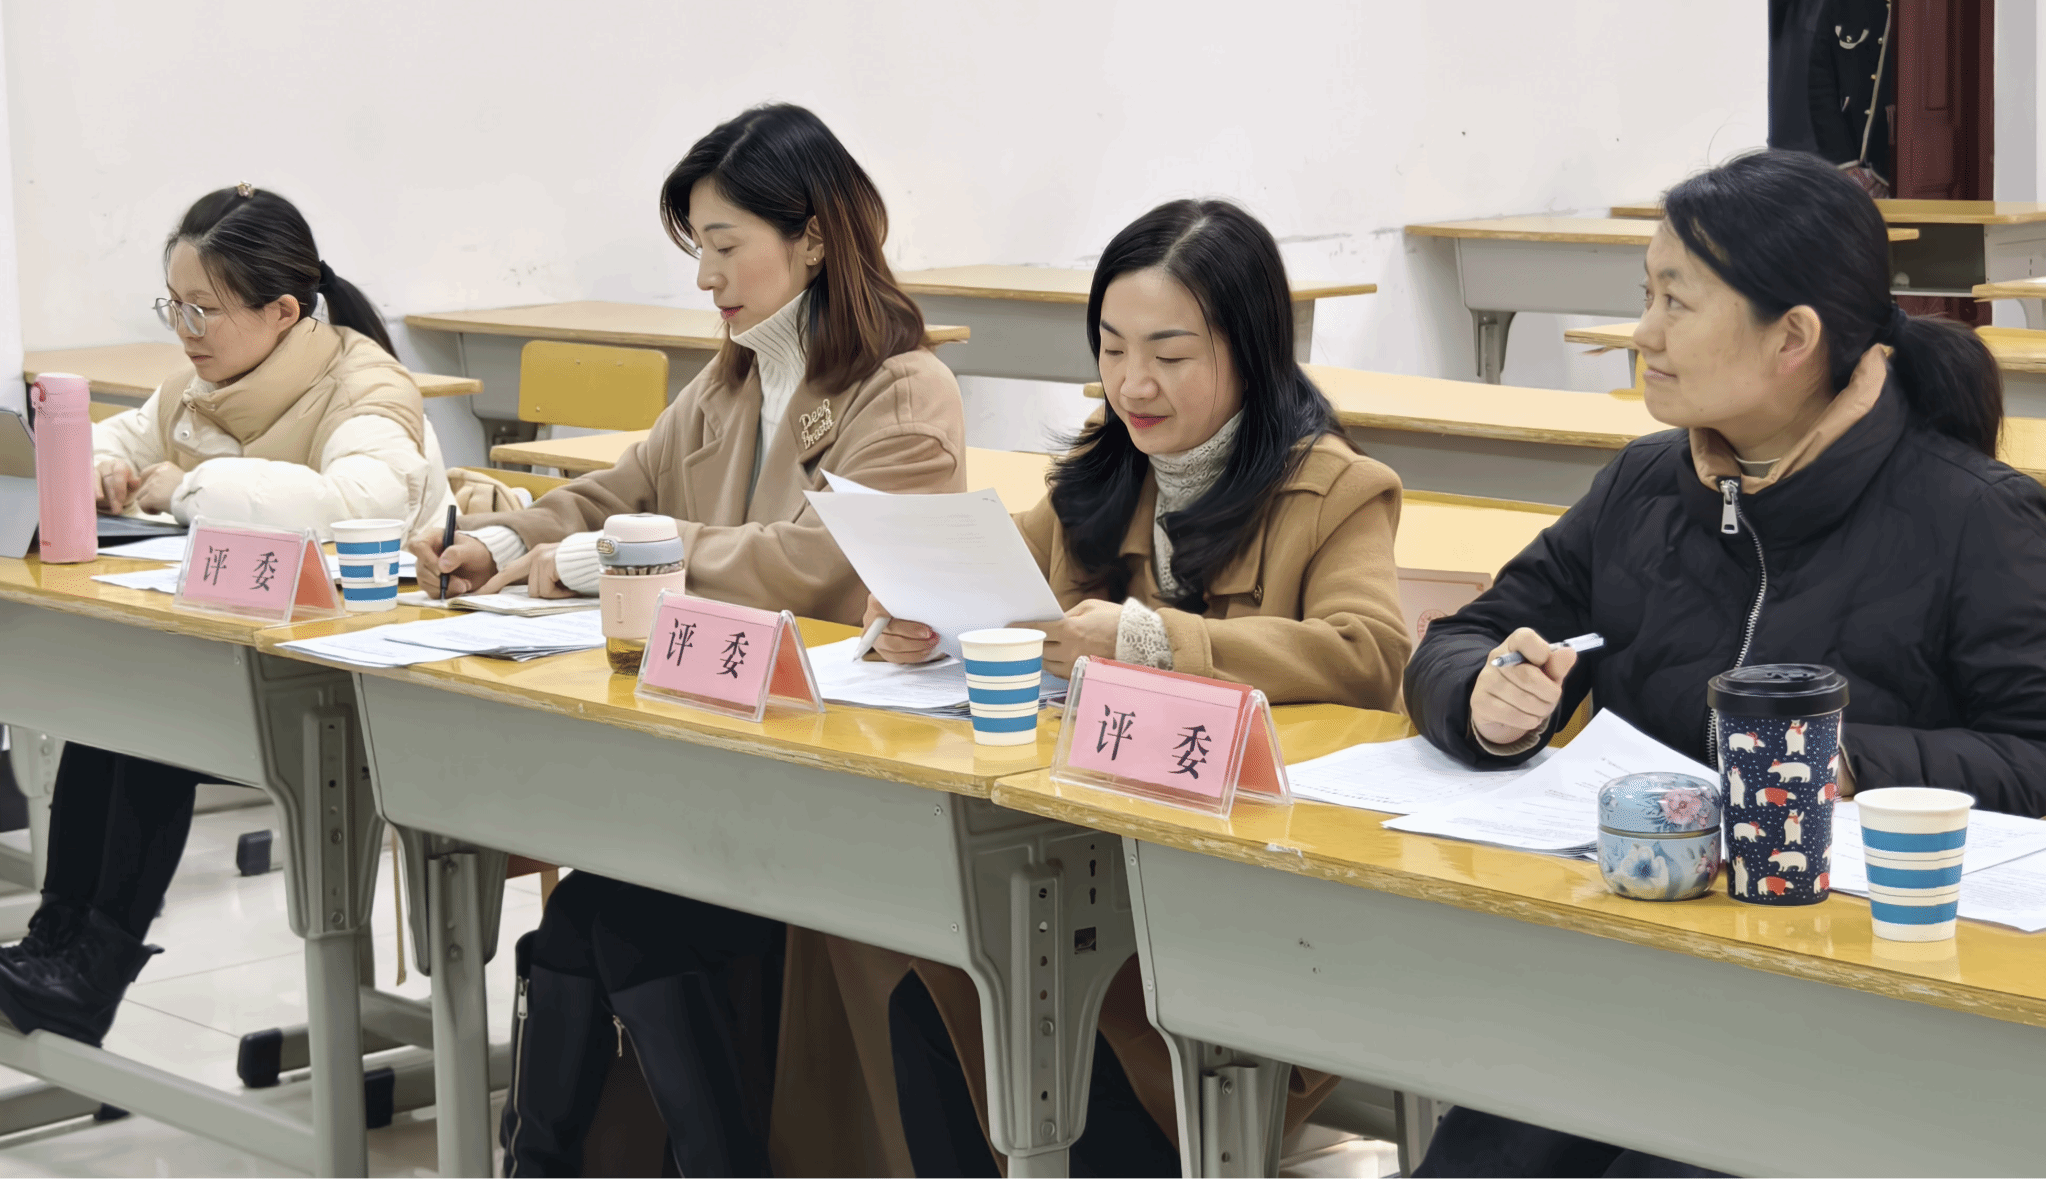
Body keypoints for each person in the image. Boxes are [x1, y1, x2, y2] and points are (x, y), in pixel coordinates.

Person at [1404, 150, 2044, 1177]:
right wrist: (1484, 697)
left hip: (1849, 1004)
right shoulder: (1644, 486)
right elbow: (1466, 635)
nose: (1641, 333)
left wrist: (1849, 765)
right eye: (1643, 295)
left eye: (1676, 301)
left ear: (1793, 338)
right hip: (1629, 968)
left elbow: (2035, 757)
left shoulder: (1977, 519)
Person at [431, 104, 968, 1178]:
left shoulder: (904, 390)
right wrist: (500, 540)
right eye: (698, 249)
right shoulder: (730, 380)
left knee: (628, 923)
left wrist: (626, 557)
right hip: (713, 750)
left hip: (832, 771)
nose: (705, 277)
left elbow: (814, 565)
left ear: (812, 239)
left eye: (725, 246)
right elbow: (617, 491)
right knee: (582, 919)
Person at [863, 198, 1411, 1175]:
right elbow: (994, 571)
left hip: (1251, 905)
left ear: (1249, 348)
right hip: (1090, 866)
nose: (1131, 383)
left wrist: (1151, 641)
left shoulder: (1335, 487)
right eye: (1111, 348)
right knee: (932, 997)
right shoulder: (1104, 469)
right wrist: (913, 606)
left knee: (1076, 1024)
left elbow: (1367, 655)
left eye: (1169, 352)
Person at [0, 186, 457, 1047]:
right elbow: (115, 442)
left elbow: (357, 503)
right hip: (251, 652)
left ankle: (92, 965)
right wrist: (92, 469)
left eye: (202, 309)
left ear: (282, 311)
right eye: (172, 305)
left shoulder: (367, 388)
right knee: (110, 705)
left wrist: (188, 488)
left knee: (154, 713)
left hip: (361, 671)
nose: (185, 329)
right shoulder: (196, 385)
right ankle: (59, 941)